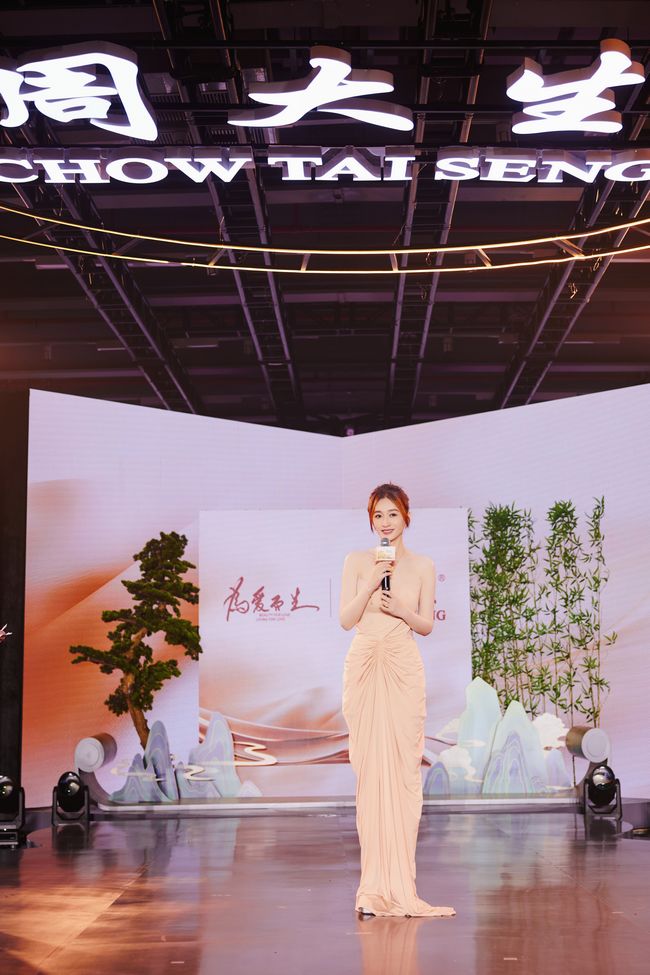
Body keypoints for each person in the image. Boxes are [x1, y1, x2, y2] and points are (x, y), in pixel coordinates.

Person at [340, 483, 456, 919]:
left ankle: (401, 885)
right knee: (370, 773)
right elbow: (345, 620)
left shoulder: (423, 565)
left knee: (404, 773)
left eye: (392, 514)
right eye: (378, 515)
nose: (385, 523)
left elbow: (425, 625)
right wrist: (371, 583)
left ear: (406, 516)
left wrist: (402, 611)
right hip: (365, 665)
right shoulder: (357, 562)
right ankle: (371, 889)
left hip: (403, 667)